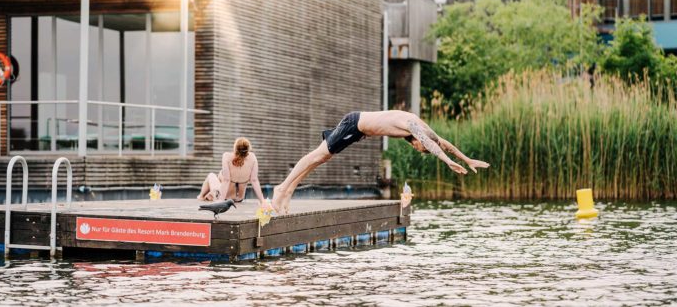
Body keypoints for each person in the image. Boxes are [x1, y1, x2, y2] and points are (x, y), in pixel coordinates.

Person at [271, 110, 490, 213]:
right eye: (419, 147)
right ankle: (282, 188)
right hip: (353, 124)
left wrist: (467, 159)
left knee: (323, 157)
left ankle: (289, 190)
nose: (416, 147)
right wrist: (447, 162)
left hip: (358, 131)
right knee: (317, 155)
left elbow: (443, 142)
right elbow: (432, 145)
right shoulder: (412, 125)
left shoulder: (424, 130)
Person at [197, 137, 266, 206]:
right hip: (239, 198)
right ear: (248, 149)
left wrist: (220, 200)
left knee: (211, 175)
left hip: (225, 198)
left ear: (235, 147)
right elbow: (254, 180)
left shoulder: (226, 156)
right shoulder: (253, 157)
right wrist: (262, 201)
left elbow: (226, 180)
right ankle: (211, 194)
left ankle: (201, 197)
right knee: (220, 176)